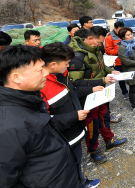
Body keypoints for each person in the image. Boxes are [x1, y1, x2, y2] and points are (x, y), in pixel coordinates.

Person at [0, 45, 82, 188]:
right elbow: (4, 180)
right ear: (16, 77)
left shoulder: (29, 100)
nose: (45, 73)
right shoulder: (8, 127)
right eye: (39, 70)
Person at [40, 43, 101, 188]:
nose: (69, 66)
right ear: (53, 64)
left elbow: (73, 91)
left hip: (75, 131)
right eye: (66, 63)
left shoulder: (62, 75)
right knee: (67, 168)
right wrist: (74, 116)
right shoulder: (41, 86)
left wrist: (91, 89)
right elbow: (44, 121)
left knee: (77, 161)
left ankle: (81, 181)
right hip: (62, 139)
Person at [69, 26, 127, 163]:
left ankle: (109, 140)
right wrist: (102, 80)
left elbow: (101, 66)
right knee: (92, 124)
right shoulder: (77, 56)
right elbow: (76, 83)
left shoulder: (94, 50)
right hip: (88, 96)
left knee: (104, 117)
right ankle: (93, 150)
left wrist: (110, 71)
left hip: (100, 93)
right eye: (99, 42)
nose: (100, 45)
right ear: (89, 38)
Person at [105, 21, 129, 99]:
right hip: (118, 62)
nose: (121, 31)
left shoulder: (125, 35)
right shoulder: (109, 38)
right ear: (115, 29)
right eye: (119, 29)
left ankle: (133, 89)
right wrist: (119, 50)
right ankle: (125, 92)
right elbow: (108, 51)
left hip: (127, 60)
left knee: (130, 75)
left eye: (123, 29)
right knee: (121, 78)